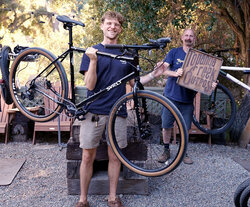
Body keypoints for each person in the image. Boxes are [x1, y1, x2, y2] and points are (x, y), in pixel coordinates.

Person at [76, 11, 158, 207]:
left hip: (118, 112)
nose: (113, 27)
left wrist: (156, 73)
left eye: (116, 25)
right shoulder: (92, 52)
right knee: (87, 155)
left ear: (120, 29)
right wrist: (94, 61)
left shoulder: (126, 55)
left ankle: (112, 197)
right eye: (109, 23)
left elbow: (134, 82)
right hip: (93, 111)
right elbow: (89, 85)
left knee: (115, 155)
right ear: (103, 26)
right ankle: (83, 199)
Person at [154, 28, 217, 165]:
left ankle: (183, 152)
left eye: (191, 36)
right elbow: (162, 70)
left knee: (185, 128)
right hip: (170, 97)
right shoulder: (174, 52)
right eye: (186, 35)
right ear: (182, 38)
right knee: (166, 126)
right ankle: (166, 150)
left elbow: (208, 77)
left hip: (187, 100)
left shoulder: (200, 57)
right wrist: (175, 73)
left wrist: (211, 84)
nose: (188, 38)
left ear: (194, 39)